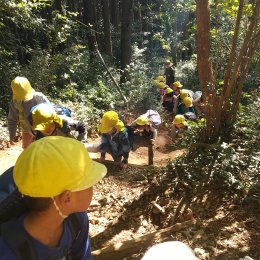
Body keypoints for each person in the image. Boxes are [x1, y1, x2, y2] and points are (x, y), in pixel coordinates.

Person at [0, 136, 107, 259]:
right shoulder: (8, 252)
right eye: (89, 184)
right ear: (68, 198)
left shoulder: (77, 222)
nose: (93, 187)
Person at [7, 76, 50, 149]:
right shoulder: (15, 102)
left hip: (43, 126)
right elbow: (12, 120)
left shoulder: (39, 97)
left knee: (44, 148)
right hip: (26, 127)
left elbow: (51, 112)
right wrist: (12, 136)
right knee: (27, 149)